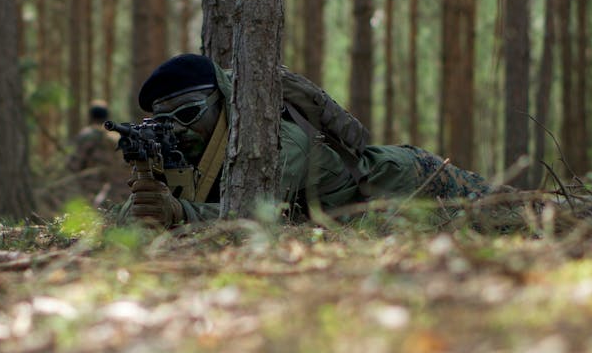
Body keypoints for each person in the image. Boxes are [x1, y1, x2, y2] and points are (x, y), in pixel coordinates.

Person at [121, 54, 496, 227]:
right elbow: (147, 210)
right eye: (164, 121)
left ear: (223, 101)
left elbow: (253, 218)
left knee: (519, 213)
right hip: (366, 208)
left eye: (187, 115)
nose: (177, 130)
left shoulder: (278, 144)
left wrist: (179, 213)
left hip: (410, 180)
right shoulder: (192, 147)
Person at [66, 101, 129, 207]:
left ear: (91, 116)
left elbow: (74, 164)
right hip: (115, 188)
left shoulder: (86, 135)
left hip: (91, 186)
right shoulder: (115, 137)